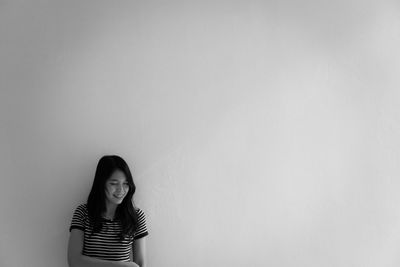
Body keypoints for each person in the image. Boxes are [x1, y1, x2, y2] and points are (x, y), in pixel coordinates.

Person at [67, 155, 148, 267]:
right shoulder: (83, 213)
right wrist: (121, 266)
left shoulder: (136, 216)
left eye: (126, 183)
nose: (121, 190)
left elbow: (140, 264)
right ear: (101, 184)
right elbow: (74, 261)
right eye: (114, 183)